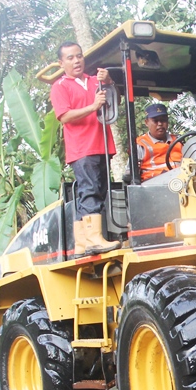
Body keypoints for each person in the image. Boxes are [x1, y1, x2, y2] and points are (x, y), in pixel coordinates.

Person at [50, 41, 121, 256]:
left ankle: (82, 243)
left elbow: (114, 100)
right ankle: (94, 239)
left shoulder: (94, 82)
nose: (76, 61)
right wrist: (92, 107)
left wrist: (108, 82)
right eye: (70, 58)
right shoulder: (60, 86)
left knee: (96, 190)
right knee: (90, 190)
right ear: (61, 63)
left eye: (79, 56)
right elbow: (64, 116)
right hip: (82, 147)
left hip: (101, 144)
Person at [136, 103, 183, 181]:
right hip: (153, 186)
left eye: (163, 120)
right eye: (155, 121)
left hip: (181, 182)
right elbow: (129, 174)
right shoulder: (140, 144)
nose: (160, 124)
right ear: (146, 122)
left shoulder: (178, 141)